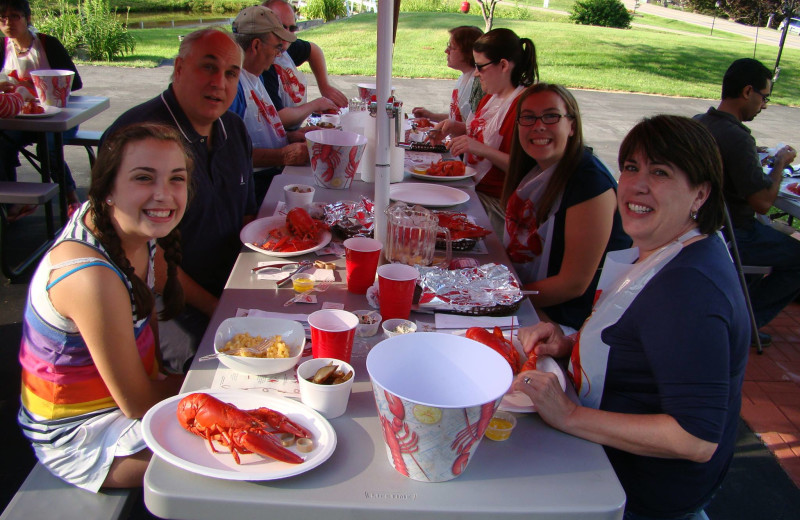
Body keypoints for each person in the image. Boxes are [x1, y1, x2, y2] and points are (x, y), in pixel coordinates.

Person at [513, 115, 749, 519]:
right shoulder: (672, 250)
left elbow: (695, 438)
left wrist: (570, 415)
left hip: (640, 495)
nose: (638, 185)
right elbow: (644, 345)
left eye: (661, 172)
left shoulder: (689, 289)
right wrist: (569, 344)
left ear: (700, 194)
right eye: (631, 167)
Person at [17, 122, 188, 492]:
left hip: (128, 401)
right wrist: (221, 389)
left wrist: (167, 380)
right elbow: (138, 402)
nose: (164, 194)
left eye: (177, 179)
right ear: (107, 188)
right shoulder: (90, 276)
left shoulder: (136, 231)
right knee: (220, 456)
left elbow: (149, 343)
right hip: (83, 436)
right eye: (144, 178)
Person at [103, 28, 256, 373]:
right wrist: (220, 307)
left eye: (231, 73)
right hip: (168, 304)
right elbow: (145, 259)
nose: (220, 82)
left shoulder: (234, 128)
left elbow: (247, 217)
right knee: (224, 370)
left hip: (231, 286)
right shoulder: (139, 138)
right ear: (179, 68)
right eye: (208, 67)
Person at [501, 83, 630, 332]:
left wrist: (497, 299)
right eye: (528, 117)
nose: (538, 125)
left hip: (567, 321)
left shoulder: (590, 183)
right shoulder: (533, 169)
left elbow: (574, 284)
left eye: (551, 116)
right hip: (532, 300)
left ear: (572, 126)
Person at [694, 58, 800, 348]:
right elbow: (763, 203)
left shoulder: (699, 123)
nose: (764, 106)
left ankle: (734, 311)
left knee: (779, 232)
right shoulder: (737, 137)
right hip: (732, 235)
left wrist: (755, 155)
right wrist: (779, 162)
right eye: (764, 97)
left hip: (699, 226)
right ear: (747, 91)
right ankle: (744, 322)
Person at [430, 28, 538, 230]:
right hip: (473, 188)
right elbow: (479, 132)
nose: (477, 73)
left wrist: (479, 148)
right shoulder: (490, 97)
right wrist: (455, 127)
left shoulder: (524, 107)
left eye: (480, 67)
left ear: (504, 65)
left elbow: (525, 168)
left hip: (497, 204)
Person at [0, 0, 83, 220]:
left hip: (58, 115)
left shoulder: (47, 44)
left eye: (15, 16)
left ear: (27, 18)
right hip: (22, 117)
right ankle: (12, 203)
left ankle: (71, 199)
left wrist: (34, 87)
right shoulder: (2, 47)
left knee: (49, 148)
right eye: (3, 18)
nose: (8, 23)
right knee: (1, 143)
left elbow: (75, 83)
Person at [229, 5, 321, 203]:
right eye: (276, 47)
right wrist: (282, 155)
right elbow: (228, 154)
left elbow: (255, 133)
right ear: (255, 46)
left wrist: (288, 136)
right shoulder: (233, 88)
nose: (279, 54)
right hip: (252, 189)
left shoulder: (257, 76)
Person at [260, 0, 347, 125]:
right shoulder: (262, 67)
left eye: (292, 29)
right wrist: (315, 105)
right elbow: (278, 118)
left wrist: (325, 86)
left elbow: (313, 50)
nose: (287, 35)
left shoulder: (286, 46)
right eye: (282, 28)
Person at [411, 25, 484, 123]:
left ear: (468, 53)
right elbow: (456, 119)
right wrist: (431, 116)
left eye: (452, 47)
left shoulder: (479, 85)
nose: (446, 51)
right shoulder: (464, 77)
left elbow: (472, 128)